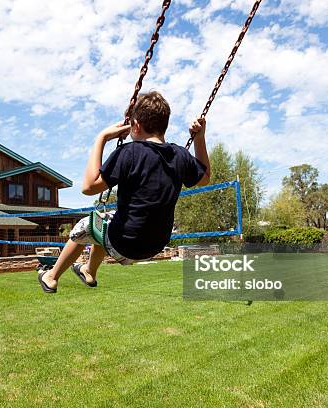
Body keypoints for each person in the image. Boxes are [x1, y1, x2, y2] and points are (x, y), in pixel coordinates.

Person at [38, 91, 210, 293]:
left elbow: (88, 187)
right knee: (105, 221)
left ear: (135, 125)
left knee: (85, 225)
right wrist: (200, 139)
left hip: (124, 245)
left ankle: (51, 276)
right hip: (155, 247)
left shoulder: (129, 152)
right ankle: (89, 271)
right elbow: (205, 178)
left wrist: (101, 138)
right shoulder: (180, 155)